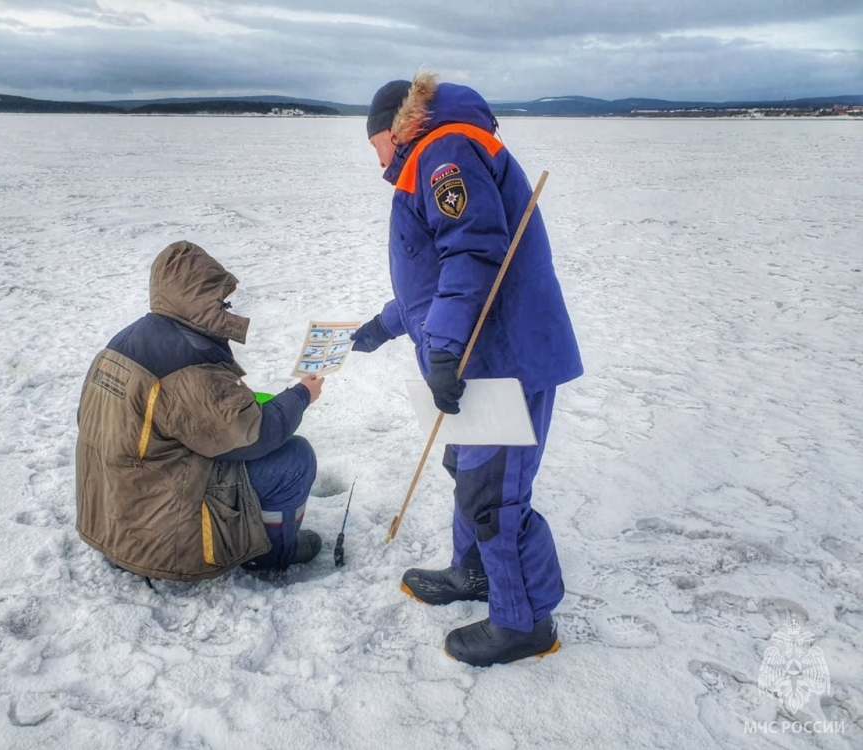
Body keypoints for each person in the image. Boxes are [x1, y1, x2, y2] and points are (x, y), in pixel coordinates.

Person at [352, 72, 583, 666]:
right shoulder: (433, 154)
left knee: (495, 495)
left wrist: (447, 349)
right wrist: (385, 326)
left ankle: (525, 621)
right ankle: (476, 573)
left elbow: (473, 249)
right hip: (477, 355)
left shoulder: (442, 151)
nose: (372, 156)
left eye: (371, 142)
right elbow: (433, 276)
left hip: (500, 357)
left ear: (389, 131)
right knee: (470, 470)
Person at [76, 240, 325, 582]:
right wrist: (301, 396)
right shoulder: (186, 359)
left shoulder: (123, 341)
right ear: (197, 298)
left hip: (115, 519)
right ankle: (271, 553)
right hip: (159, 536)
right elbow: (254, 435)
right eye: (218, 299)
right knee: (295, 458)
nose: (224, 306)